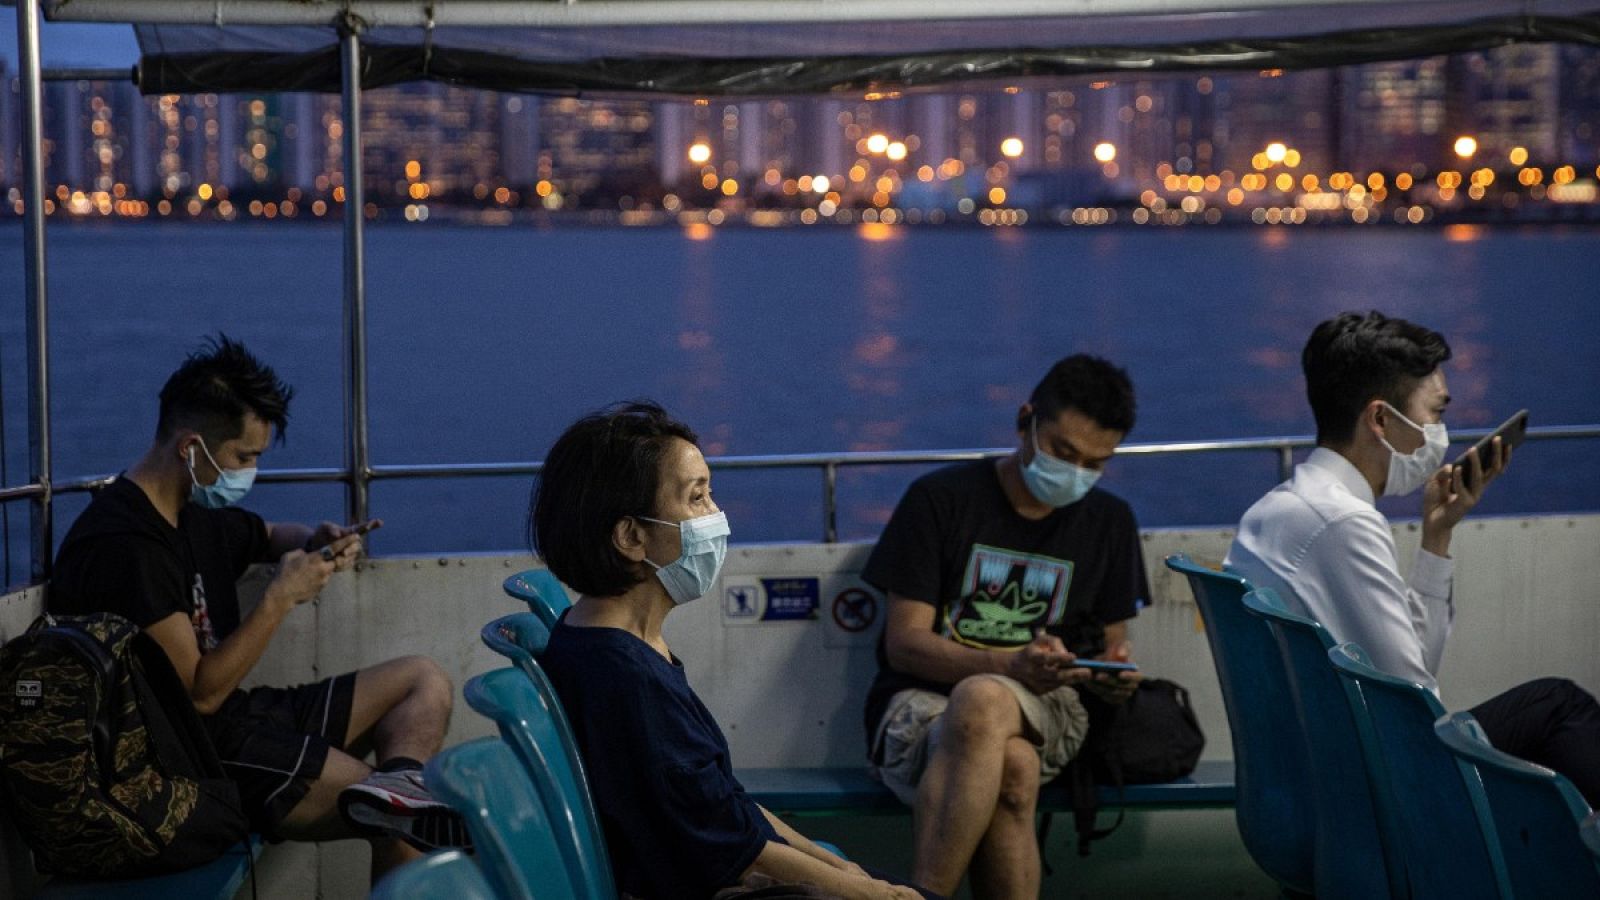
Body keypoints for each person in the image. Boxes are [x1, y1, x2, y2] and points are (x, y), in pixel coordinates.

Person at [49, 335, 469, 882]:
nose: (249, 472)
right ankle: (398, 801)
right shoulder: (126, 548)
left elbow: (266, 535)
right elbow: (199, 695)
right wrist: (280, 598)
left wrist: (315, 540)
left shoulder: (188, 508)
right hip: (181, 762)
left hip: (232, 720)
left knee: (422, 681)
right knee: (391, 818)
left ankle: (402, 785)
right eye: (244, 457)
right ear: (190, 447)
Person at [531, 401, 935, 900]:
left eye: (710, 493)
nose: (716, 517)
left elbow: (723, 802)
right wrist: (880, 895)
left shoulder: (610, 642)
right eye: (696, 497)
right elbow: (733, 851)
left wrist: (838, 867)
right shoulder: (627, 681)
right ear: (631, 536)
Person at [1227, 310, 1600, 805]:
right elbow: (1417, 704)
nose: (1439, 434)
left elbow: (1413, 664)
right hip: (1377, 785)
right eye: (1436, 413)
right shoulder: (1342, 523)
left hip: (1311, 773)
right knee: (1558, 705)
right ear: (1381, 419)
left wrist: (1437, 535)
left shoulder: (1276, 510)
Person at [860, 354, 1147, 900]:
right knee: (1010, 756)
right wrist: (1009, 666)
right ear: (1025, 422)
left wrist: (1113, 675)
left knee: (985, 701)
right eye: (1063, 452)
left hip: (1049, 706)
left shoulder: (1110, 522)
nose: (1075, 473)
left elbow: (1113, 647)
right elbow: (904, 645)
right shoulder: (939, 500)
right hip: (920, 704)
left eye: (1095, 464)